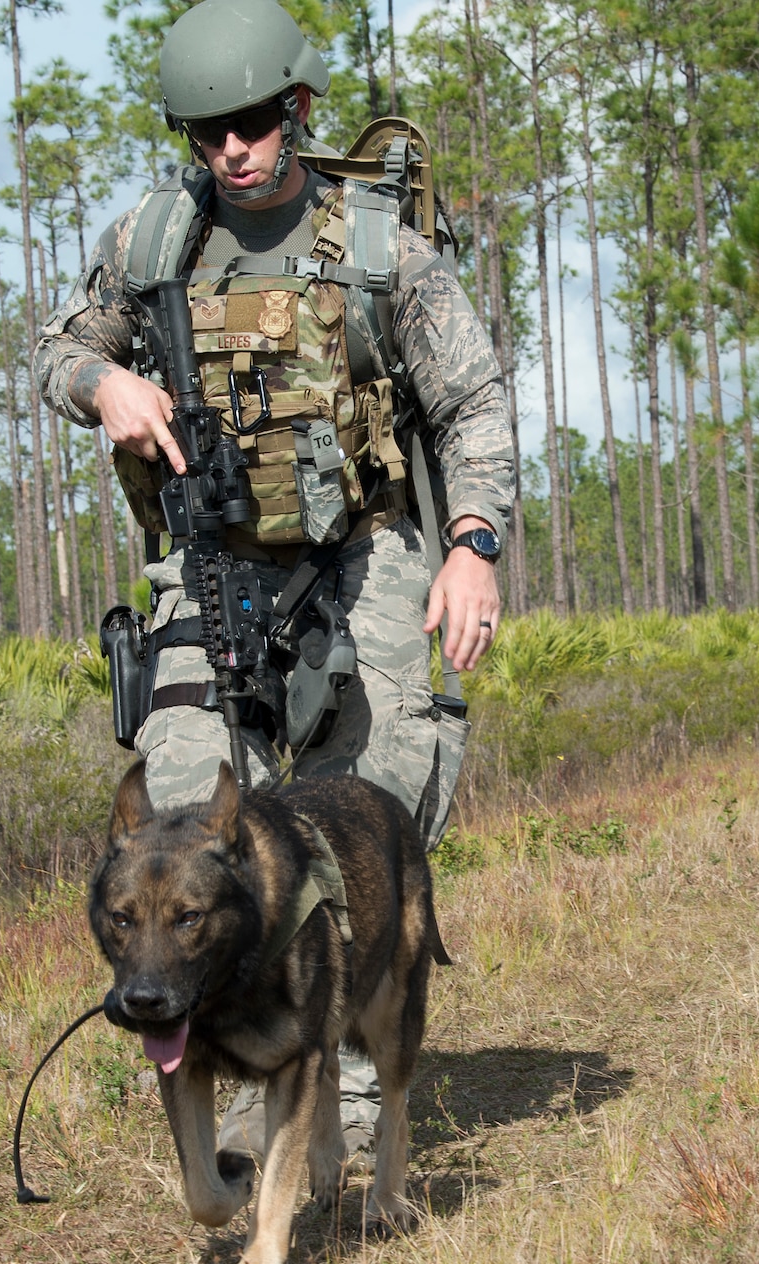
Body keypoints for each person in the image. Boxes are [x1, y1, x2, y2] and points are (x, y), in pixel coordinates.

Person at [34, 0, 514, 1153]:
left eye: (250, 123)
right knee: (192, 806)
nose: (232, 150)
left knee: (377, 780)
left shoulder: (382, 249)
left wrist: (472, 541)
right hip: (213, 559)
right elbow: (58, 347)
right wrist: (103, 387)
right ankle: (232, 1053)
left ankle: (347, 1071)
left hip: (360, 547)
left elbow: (471, 400)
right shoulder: (152, 244)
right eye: (206, 134)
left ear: (295, 110)